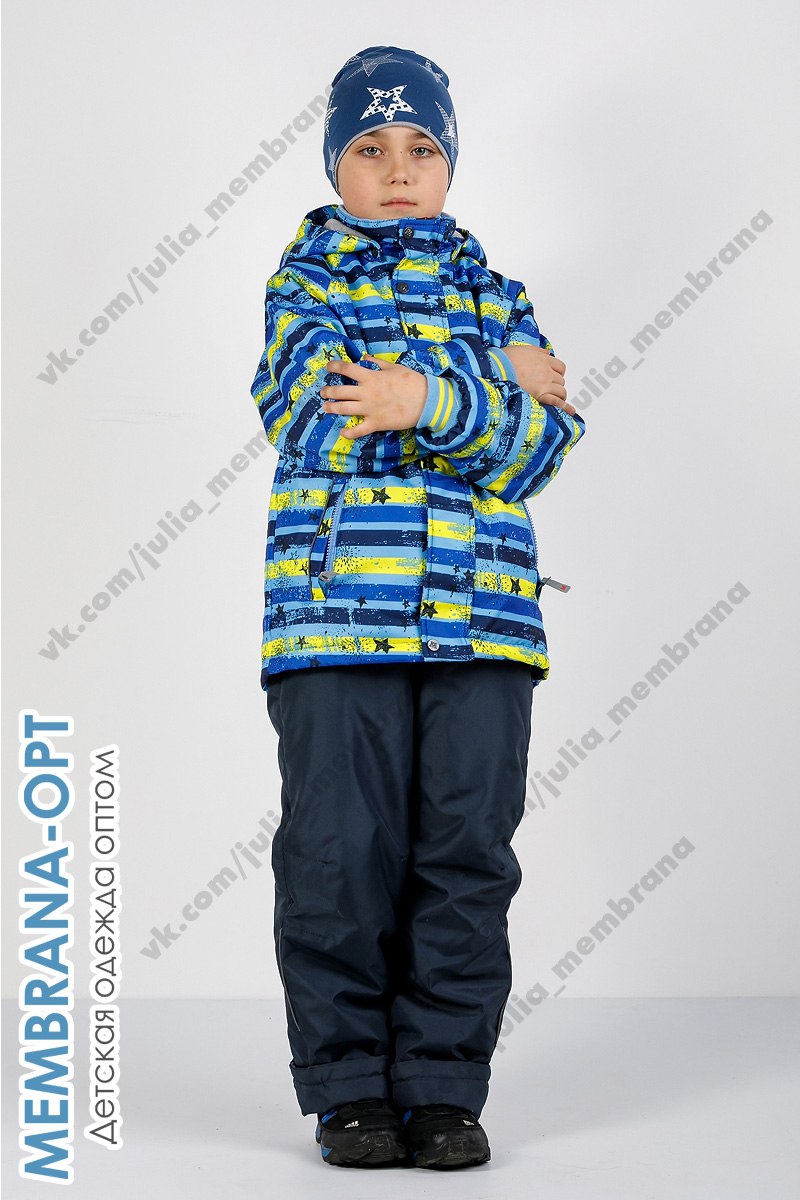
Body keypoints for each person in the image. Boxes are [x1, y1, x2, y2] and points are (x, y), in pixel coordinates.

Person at [249, 45, 586, 1170]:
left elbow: (543, 447)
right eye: (369, 147)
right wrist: (486, 388)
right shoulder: (304, 284)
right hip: (334, 619)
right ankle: (349, 1086)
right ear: (333, 164)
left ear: (449, 163)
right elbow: (316, 415)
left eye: (422, 147)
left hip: (484, 620)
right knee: (338, 851)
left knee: (466, 851)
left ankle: (442, 1086)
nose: (398, 170)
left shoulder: (499, 293)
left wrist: (417, 393)